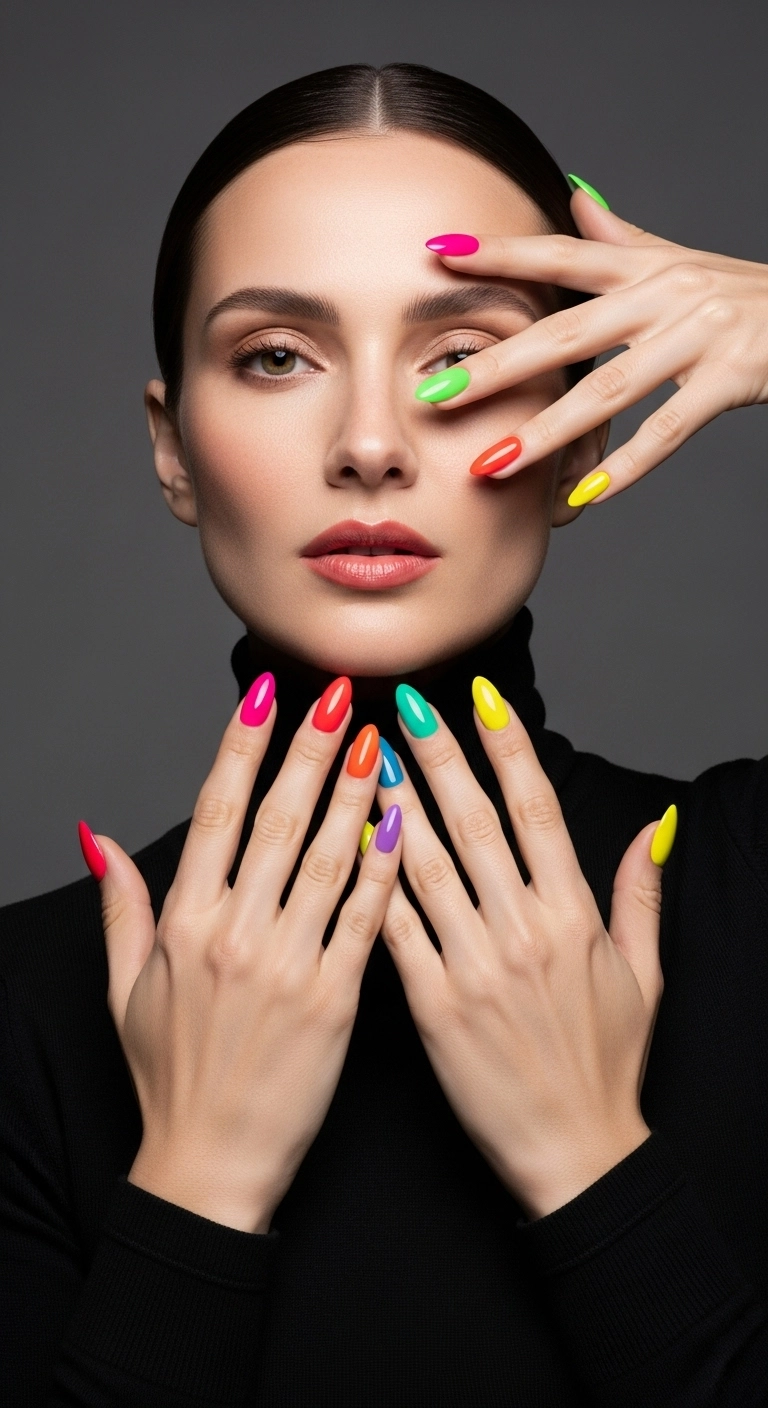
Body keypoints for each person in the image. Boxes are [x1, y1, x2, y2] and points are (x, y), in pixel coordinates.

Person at [1, 62, 766, 1407]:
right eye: (277, 357)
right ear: (173, 449)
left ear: (583, 404)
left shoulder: (751, 892)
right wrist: (198, 1183)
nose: (369, 443)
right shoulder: (26, 1013)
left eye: (463, 354)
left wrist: (591, 1166)